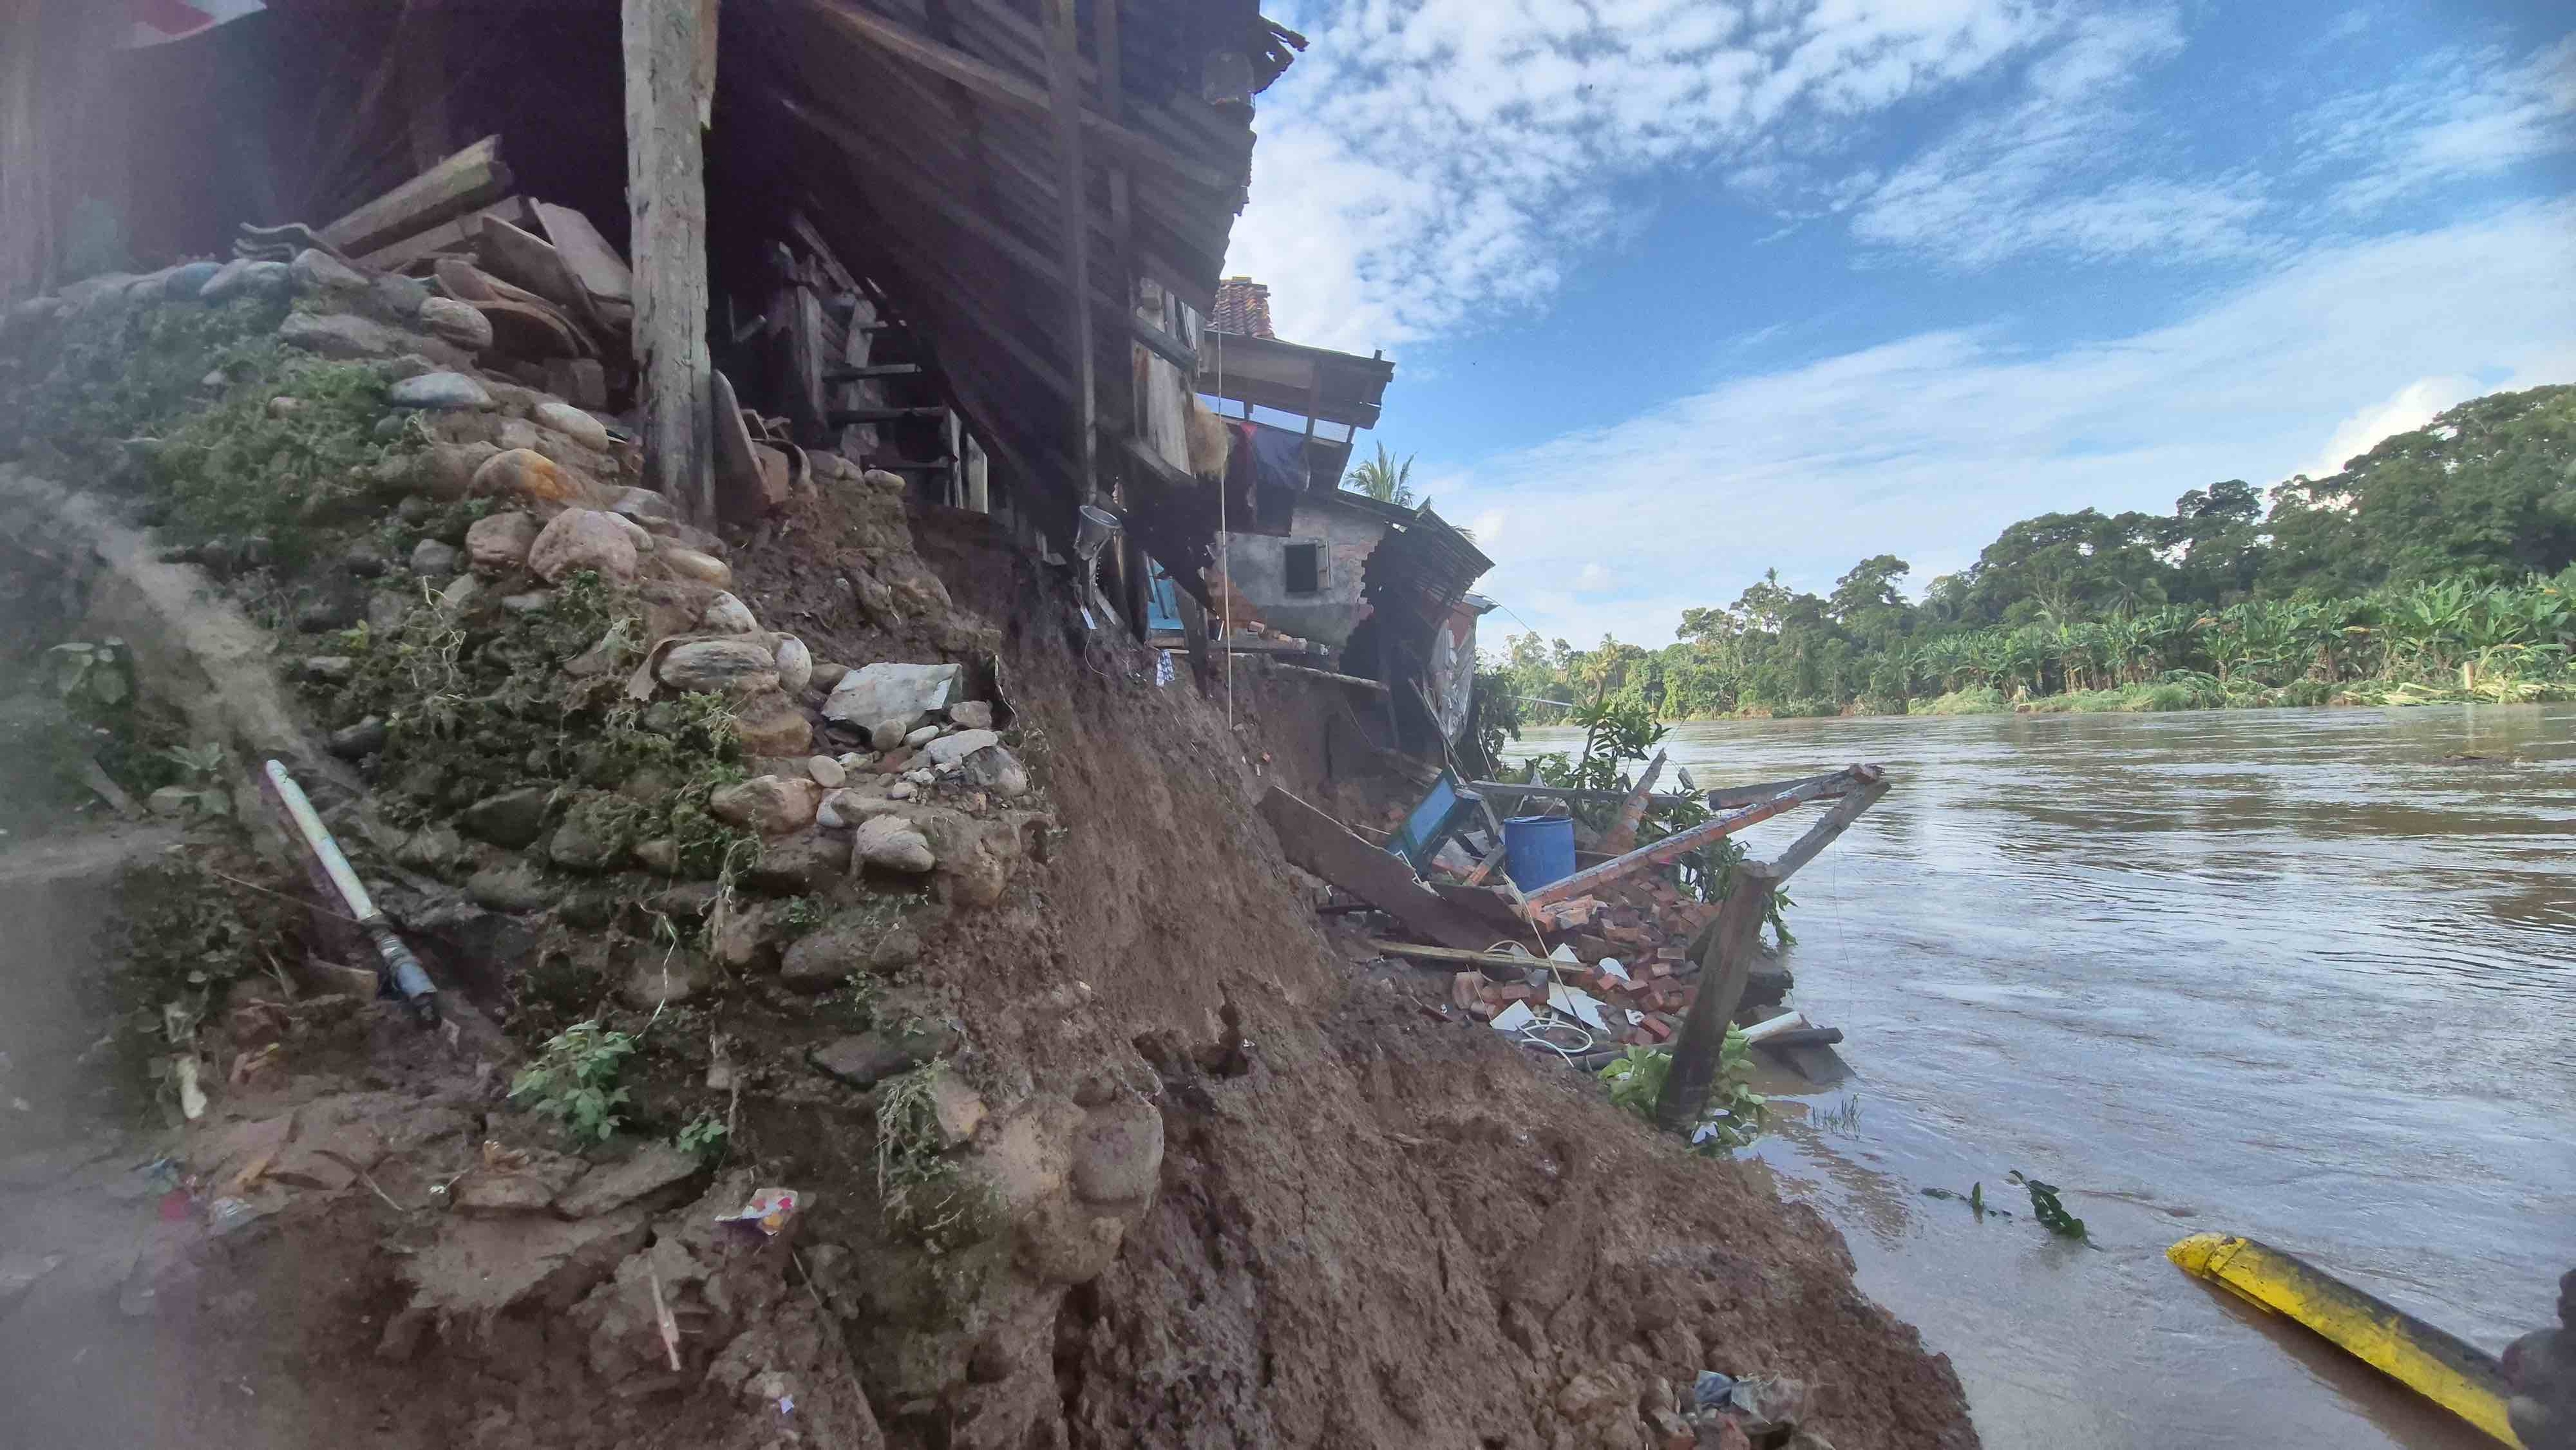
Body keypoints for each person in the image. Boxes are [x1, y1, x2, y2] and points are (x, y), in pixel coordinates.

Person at [2504, 1269, 2576, 1450]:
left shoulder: (2539, 1344)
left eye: (2566, 1299)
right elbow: (2510, 1360)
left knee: (2520, 1409)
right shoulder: (2540, 1343)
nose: (2559, 1302)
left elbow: (2510, 1362)